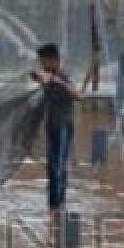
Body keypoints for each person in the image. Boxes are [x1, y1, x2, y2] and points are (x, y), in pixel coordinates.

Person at [30, 43, 83, 222]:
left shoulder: (63, 76)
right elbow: (39, 77)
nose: (42, 64)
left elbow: (78, 95)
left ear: (53, 60)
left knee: (57, 167)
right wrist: (39, 76)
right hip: (53, 126)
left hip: (63, 126)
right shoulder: (49, 75)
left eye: (43, 61)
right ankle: (56, 206)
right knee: (55, 167)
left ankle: (56, 208)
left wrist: (58, 82)